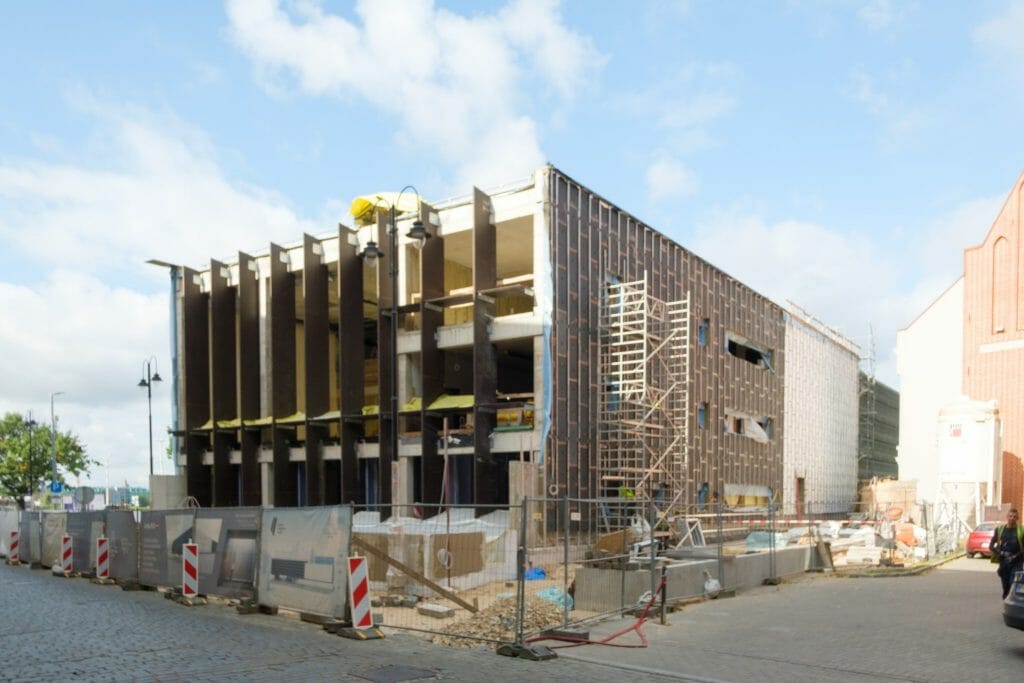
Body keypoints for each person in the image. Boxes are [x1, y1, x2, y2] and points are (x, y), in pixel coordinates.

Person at [990, 508, 1024, 599]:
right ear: (1007, 517)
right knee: (1006, 587)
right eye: (1010, 516)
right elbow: (991, 546)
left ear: (1017, 518)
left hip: (1017, 563)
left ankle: (1012, 606)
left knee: (1013, 584)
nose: (1012, 518)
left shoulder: (1021, 530)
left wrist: (1014, 556)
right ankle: (1006, 599)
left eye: (1014, 517)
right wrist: (1001, 553)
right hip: (1004, 563)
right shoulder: (1000, 530)